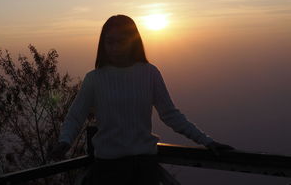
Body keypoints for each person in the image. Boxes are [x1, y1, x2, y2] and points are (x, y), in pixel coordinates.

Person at [53, 14, 233, 184]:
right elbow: (75, 116)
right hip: (108, 170)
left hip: (145, 168)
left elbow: (170, 114)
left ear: (133, 42)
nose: (115, 47)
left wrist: (207, 141)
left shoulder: (150, 73)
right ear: (102, 44)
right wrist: (65, 141)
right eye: (110, 42)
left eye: (121, 41)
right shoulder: (94, 79)